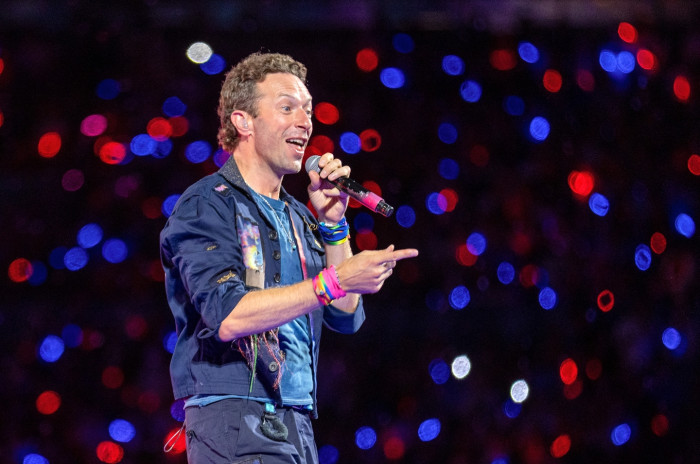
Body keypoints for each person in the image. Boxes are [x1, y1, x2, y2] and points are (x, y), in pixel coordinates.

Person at [160, 51, 419, 464]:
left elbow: (345, 313)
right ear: (243, 122)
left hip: (296, 420)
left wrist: (333, 225)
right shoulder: (207, 204)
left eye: (308, 110)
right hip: (235, 416)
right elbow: (229, 316)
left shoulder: (299, 216)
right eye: (287, 108)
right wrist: (334, 281)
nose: (305, 121)